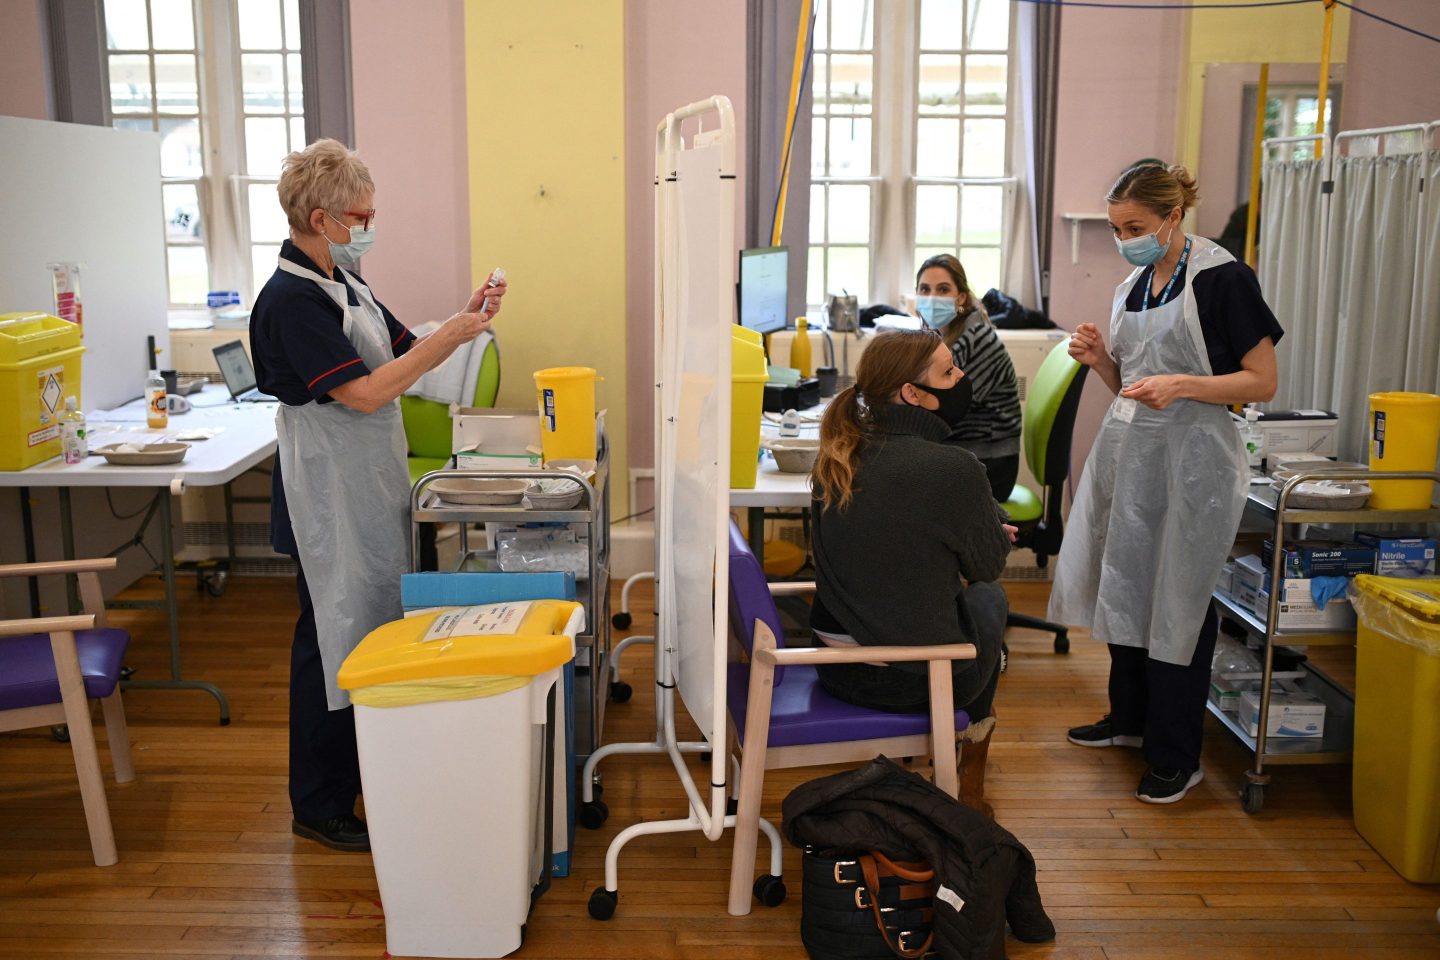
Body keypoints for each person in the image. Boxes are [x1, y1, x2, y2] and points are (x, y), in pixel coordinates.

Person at [249, 139, 508, 850]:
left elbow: (398, 351)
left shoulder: (343, 280)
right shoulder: (290, 299)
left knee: (368, 628)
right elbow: (363, 392)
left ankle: (366, 775)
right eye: (361, 215)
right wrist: (451, 334)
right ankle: (320, 802)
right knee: (329, 638)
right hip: (326, 492)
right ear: (321, 216)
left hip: (366, 479)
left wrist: (466, 318)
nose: (369, 226)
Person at [1047, 162, 1282, 805]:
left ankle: (1178, 754)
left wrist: (1185, 386)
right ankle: (1129, 722)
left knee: (1178, 597)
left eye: (1135, 226)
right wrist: (1101, 360)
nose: (1124, 238)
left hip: (1195, 458)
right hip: (1133, 450)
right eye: (1116, 227)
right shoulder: (1135, 284)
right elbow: (1132, 381)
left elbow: (1262, 380)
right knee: (1126, 578)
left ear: (1173, 216)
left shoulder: (1223, 279)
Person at [809, 329, 1016, 811]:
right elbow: (986, 566)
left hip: (833, 669)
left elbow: (888, 537)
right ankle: (972, 760)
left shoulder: (837, 453)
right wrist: (984, 526)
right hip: (914, 683)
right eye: (948, 371)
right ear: (912, 394)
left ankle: (969, 757)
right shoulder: (953, 469)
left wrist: (974, 519)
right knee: (990, 600)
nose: (961, 376)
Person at [913, 254, 1023, 502]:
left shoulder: (976, 339)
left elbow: (943, 409)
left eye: (943, 289)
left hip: (988, 464)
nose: (932, 298)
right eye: (924, 289)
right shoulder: (941, 336)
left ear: (961, 297)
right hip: (966, 453)